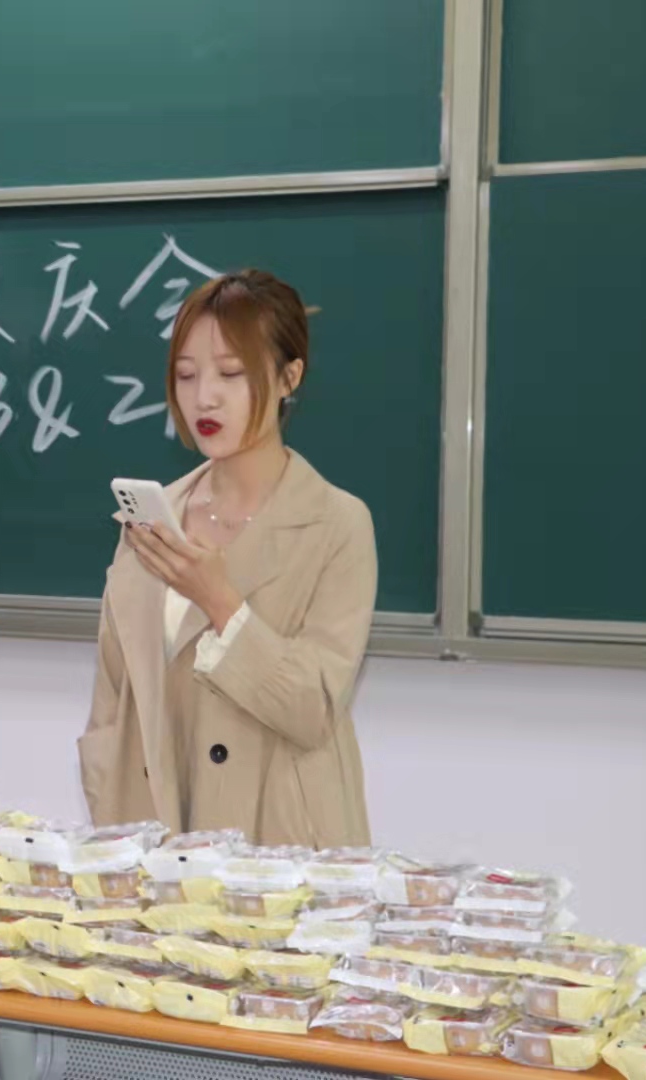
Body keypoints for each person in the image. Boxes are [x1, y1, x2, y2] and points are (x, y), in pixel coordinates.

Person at [78, 269, 377, 847]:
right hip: (153, 841)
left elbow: (312, 710)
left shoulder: (336, 524)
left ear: (290, 376)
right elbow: (112, 700)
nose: (203, 397)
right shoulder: (151, 520)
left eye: (231, 373)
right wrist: (109, 803)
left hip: (278, 844)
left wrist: (220, 601)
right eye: (186, 375)